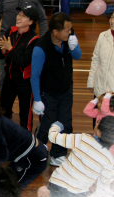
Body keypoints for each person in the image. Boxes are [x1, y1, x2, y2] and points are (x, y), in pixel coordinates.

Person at [0, 90, 48, 189]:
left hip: (31, 159)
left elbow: (2, 154)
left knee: (9, 190)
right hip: (26, 155)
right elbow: (3, 151)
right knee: (1, 184)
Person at [31, 12, 81, 166]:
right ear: (55, 32)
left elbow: (77, 56)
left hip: (66, 91)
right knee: (47, 125)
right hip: (48, 93)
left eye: (71, 29)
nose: (70, 32)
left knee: (65, 123)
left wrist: (74, 47)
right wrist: (37, 100)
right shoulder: (40, 48)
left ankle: (58, 154)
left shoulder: (69, 39)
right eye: (67, 30)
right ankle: (36, 153)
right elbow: (34, 76)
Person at [0, 5, 40, 131]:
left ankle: (27, 139)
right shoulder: (10, 31)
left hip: (25, 82)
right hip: (9, 79)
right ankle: (3, 136)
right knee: (3, 111)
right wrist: (3, 50)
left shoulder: (34, 39)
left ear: (31, 22)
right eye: (19, 14)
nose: (18, 17)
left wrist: (10, 49)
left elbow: (24, 62)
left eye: (23, 16)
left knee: (25, 114)